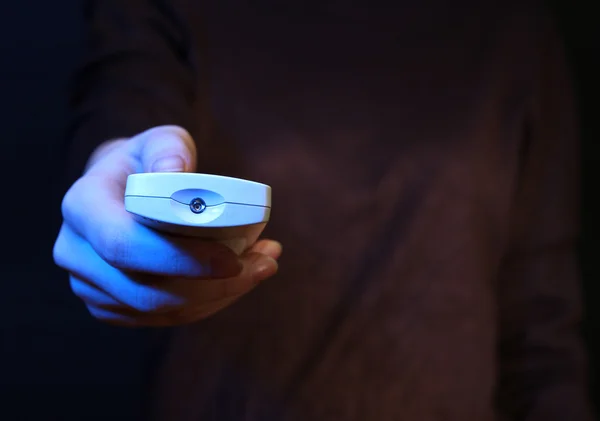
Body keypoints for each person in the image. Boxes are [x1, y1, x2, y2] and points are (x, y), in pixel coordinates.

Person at [52, 0, 593, 419]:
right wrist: (110, 180)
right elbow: (120, 114)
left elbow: (541, 332)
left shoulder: (511, 27)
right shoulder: (170, 9)